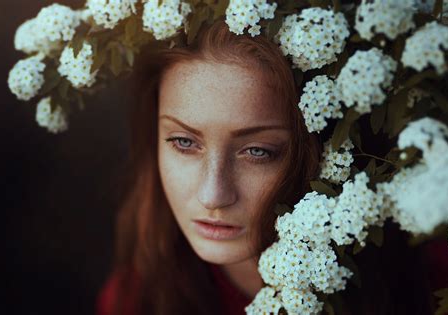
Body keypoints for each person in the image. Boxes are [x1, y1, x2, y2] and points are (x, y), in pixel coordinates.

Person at [96, 19, 320, 315]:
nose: (212, 196)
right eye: (184, 143)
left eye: (257, 151)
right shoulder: (137, 299)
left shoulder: (393, 291)